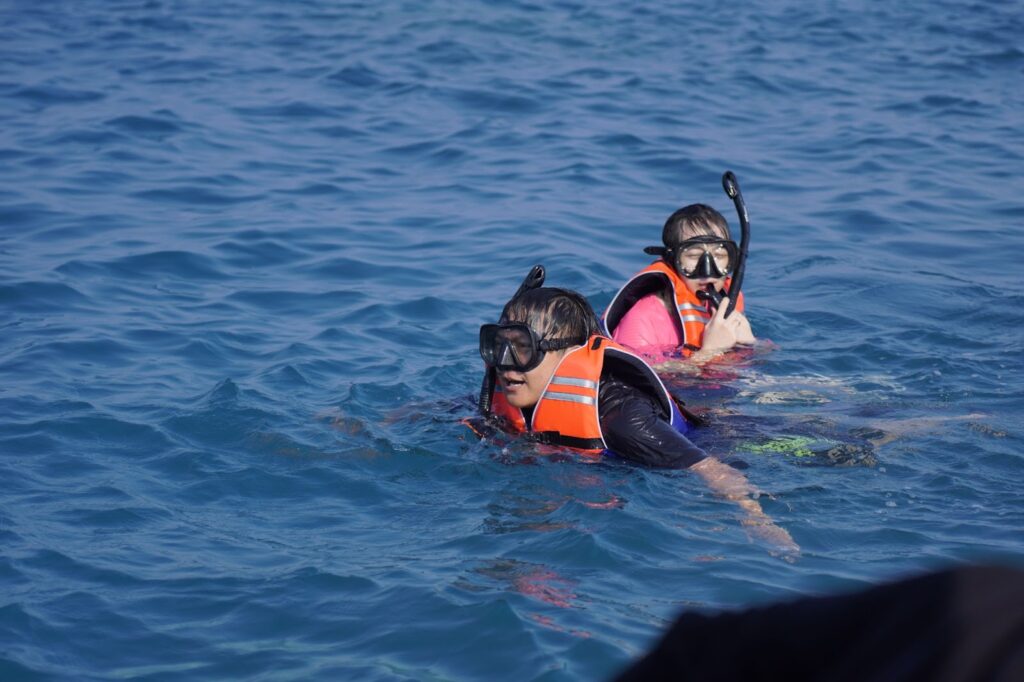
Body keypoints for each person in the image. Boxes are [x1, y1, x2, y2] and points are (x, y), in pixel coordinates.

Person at [474, 266, 797, 554]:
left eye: (523, 349)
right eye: (499, 346)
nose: (506, 364)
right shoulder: (510, 392)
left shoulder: (620, 415)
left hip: (739, 441)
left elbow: (709, 468)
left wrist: (756, 520)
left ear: (570, 353)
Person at [602, 204, 756, 363]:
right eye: (694, 256)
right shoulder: (642, 318)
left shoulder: (718, 305)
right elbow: (638, 380)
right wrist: (710, 352)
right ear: (672, 260)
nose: (707, 270)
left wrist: (749, 345)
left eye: (719, 255)